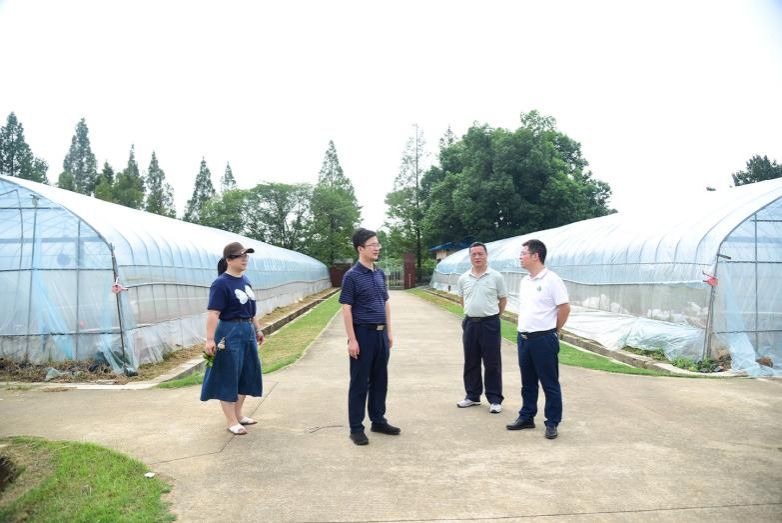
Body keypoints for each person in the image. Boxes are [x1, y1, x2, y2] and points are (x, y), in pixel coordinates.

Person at [339, 228, 400, 446]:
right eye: (372, 245)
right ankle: (356, 428)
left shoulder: (379, 273)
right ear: (360, 249)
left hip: (381, 335)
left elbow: (385, 302)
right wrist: (352, 339)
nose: (377, 248)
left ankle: (378, 420)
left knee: (380, 380)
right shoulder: (351, 276)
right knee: (359, 382)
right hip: (362, 334)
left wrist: (389, 331)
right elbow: (346, 308)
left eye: (378, 244)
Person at [506, 239, 570, 440]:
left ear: (535, 256)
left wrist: (553, 330)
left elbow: (564, 308)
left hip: (543, 339)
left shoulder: (552, 280)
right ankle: (527, 416)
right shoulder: (525, 281)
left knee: (549, 383)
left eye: (523, 253)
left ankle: (552, 422)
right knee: (528, 382)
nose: (520, 257)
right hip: (524, 338)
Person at [200, 241, 266, 435]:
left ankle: (238, 415)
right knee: (228, 375)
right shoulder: (220, 283)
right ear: (229, 260)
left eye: (246, 256)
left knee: (247, 372)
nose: (245, 259)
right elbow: (213, 313)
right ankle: (231, 421)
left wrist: (258, 329)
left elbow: (251, 310)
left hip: (247, 330)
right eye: (240, 256)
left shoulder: (245, 280)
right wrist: (210, 339)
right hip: (229, 331)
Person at [455, 242, 508, 414]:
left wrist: (493, 316)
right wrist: (472, 313)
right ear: (470, 257)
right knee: (471, 360)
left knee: (492, 362)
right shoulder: (463, 278)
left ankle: (495, 399)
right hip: (470, 323)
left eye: (480, 254)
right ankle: (472, 396)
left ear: (486, 255)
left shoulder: (496, 277)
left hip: (490, 323)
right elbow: (462, 300)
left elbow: (503, 300)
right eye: (474, 254)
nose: (477, 257)